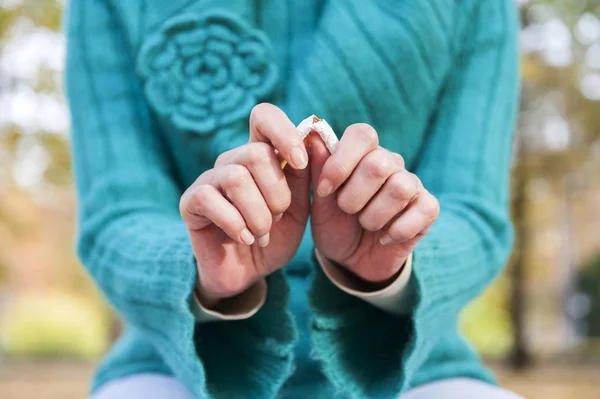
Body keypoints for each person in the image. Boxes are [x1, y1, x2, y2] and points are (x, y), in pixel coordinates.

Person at [65, 0, 523, 398]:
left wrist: (390, 266)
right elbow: (115, 216)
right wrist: (204, 271)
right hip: (175, 366)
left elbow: (475, 215)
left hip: (416, 368)